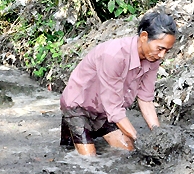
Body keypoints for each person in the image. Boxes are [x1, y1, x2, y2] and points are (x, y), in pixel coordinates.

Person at [59, 11, 177, 156]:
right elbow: (114, 109)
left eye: (167, 50)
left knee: (128, 149)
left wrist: (159, 135)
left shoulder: (153, 59)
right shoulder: (114, 55)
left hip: (104, 110)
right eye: (160, 48)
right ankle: (72, 131)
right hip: (78, 106)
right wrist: (140, 140)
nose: (162, 55)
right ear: (144, 37)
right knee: (89, 160)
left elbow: (146, 99)